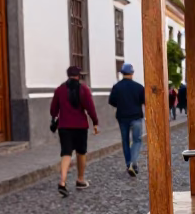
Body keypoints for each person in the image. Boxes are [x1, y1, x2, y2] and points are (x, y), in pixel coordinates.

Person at [50, 66, 99, 196]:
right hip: (80, 126)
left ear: (68, 75)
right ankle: (80, 179)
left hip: (64, 126)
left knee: (66, 153)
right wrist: (95, 122)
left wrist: (56, 116)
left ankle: (62, 182)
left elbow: (53, 110)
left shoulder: (60, 89)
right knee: (81, 152)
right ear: (78, 76)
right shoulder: (84, 89)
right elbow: (90, 108)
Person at [108, 63, 145, 178]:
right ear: (132, 73)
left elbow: (112, 101)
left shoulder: (117, 87)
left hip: (122, 117)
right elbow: (144, 101)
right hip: (136, 117)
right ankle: (133, 163)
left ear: (122, 73)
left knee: (125, 141)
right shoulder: (139, 87)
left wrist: (121, 104)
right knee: (137, 140)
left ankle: (128, 163)